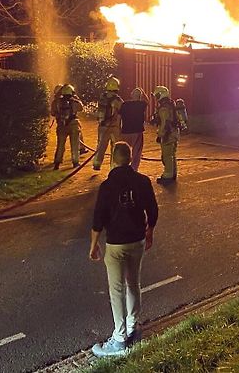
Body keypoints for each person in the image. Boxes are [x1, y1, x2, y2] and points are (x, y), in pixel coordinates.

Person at [89, 142, 158, 357]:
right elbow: (153, 210)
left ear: (113, 159)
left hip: (116, 244)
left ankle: (119, 340)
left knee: (117, 289)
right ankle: (132, 326)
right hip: (136, 241)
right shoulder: (143, 181)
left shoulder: (107, 187)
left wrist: (94, 245)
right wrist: (149, 232)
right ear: (130, 158)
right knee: (133, 284)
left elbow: (98, 218)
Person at [93, 76, 124, 171]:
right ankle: (113, 167)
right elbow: (123, 111)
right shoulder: (118, 101)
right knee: (115, 147)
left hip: (102, 126)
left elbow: (99, 112)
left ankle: (96, 163)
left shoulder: (102, 98)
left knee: (100, 145)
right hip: (114, 127)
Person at [51, 84, 83, 170]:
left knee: (60, 145)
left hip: (61, 125)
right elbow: (81, 108)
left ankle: (57, 163)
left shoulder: (56, 102)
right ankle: (75, 162)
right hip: (73, 125)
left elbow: (52, 113)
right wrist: (76, 97)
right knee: (75, 145)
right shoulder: (75, 102)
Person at [151, 85, 179, 184]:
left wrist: (160, 135)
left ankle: (167, 175)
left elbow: (163, 123)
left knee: (166, 156)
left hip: (167, 134)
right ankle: (172, 173)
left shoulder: (163, 108)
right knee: (171, 154)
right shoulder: (171, 104)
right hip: (174, 132)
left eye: (157, 95)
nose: (156, 97)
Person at [120, 87, 150, 171]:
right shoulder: (141, 104)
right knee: (136, 152)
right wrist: (143, 92)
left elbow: (119, 116)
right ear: (140, 96)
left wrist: (119, 129)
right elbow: (147, 101)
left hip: (125, 130)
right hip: (137, 131)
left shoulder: (124, 104)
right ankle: (133, 169)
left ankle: (123, 167)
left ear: (131, 95)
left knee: (125, 150)